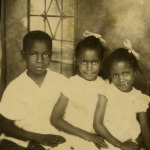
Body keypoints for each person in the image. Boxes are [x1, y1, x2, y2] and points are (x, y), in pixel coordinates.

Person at [0, 30, 67, 150]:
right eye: (33, 54)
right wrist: (39, 138)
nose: (39, 60)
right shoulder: (15, 87)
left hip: (54, 141)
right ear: (23, 55)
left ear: (51, 55)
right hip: (22, 142)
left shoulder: (61, 81)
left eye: (45, 54)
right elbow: (6, 127)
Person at [51, 33, 108, 150]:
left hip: (94, 136)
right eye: (84, 62)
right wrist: (87, 135)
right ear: (77, 61)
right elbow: (55, 119)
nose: (89, 67)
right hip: (72, 134)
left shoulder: (104, 84)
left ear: (101, 63)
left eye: (94, 62)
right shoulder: (71, 84)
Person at [93, 40, 150, 150]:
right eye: (115, 75)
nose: (121, 79)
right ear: (110, 75)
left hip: (131, 143)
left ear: (134, 72)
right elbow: (97, 124)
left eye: (125, 73)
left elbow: (145, 128)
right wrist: (120, 145)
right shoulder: (106, 90)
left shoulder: (140, 97)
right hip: (109, 142)